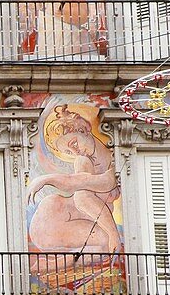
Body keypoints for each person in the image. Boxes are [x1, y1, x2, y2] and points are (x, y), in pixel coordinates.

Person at [28, 105, 121, 254]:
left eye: (74, 144)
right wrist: (113, 234)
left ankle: (60, 262)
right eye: (68, 152)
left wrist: (46, 179)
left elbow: (105, 182)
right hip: (52, 219)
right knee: (105, 241)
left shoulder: (117, 159)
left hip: (76, 223)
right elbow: (80, 192)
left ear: (84, 128)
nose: (75, 152)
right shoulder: (83, 161)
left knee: (104, 244)